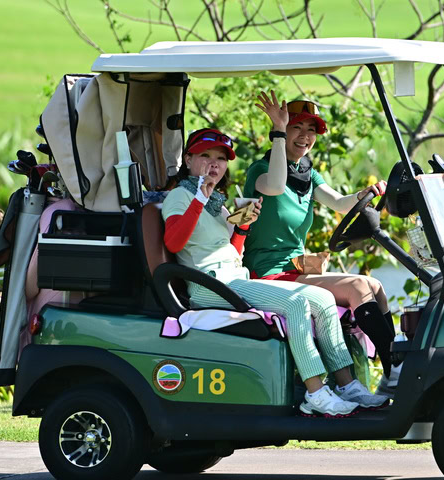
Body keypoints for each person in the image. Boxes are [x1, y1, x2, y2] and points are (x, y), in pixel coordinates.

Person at [162, 127, 388, 416]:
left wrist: (243, 226)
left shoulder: (216, 202)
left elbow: (233, 252)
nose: (214, 164)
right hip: (210, 286)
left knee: (323, 300)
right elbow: (173, 242)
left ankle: (347, 385)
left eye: (221, 158)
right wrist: (197, 202)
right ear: (188, 159)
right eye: (205, 156)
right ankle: (315, 392)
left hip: (233, 278)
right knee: (296, 304)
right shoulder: (180, 197)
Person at [243, 91, 398, 380]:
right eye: (296, 127)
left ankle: (392, 371)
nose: (305, 136)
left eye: (311, 129)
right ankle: (395, 370)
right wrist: (278, 130)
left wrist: (363, 194)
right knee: (357, 286)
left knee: (375, 286)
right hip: (267, 274)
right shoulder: (260, 171)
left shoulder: (307, 174)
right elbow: (276, 186)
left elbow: (339, 203)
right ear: (283, 130)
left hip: (296, 270)